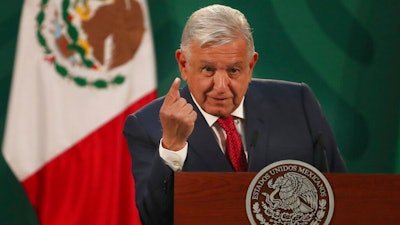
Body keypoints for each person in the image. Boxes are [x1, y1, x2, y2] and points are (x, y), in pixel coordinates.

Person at [123, 4, 346, 225]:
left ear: (251, 65)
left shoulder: (298, 103)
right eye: (208, 70)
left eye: (234, 70)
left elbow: (344, 198)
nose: (220, 86)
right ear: (184, 64)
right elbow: (155, 219)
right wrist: (172, 145)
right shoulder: (147, 125)